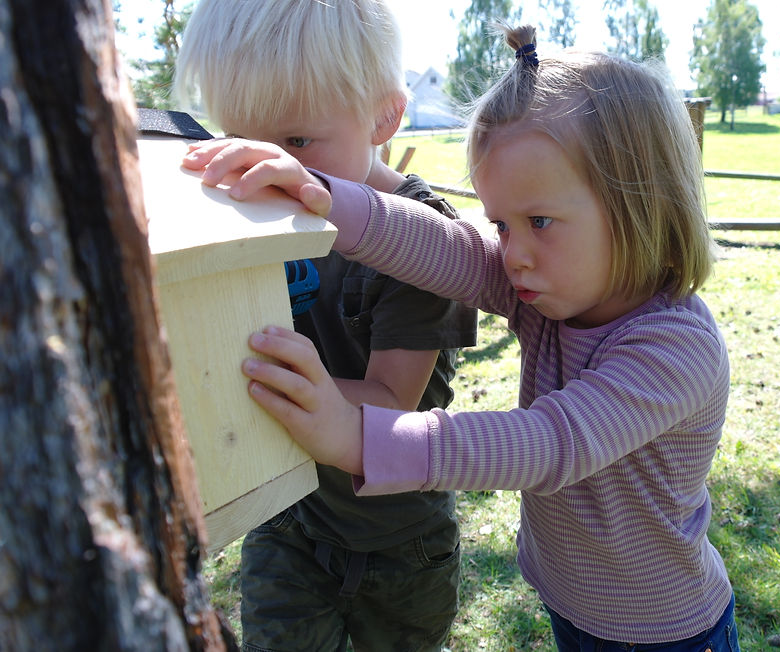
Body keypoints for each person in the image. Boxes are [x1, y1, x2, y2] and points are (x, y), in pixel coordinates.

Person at [183, 23, 740, 652]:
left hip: (666, 629)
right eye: (503, 223)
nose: (515, 253)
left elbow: (549, 446)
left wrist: (356, 435)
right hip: (573, 604)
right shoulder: (549, 290)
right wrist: (322, 195)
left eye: (541, 221)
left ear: (640, 203)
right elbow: (445, 246)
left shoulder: (675, 347)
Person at [174, 2, 478, 650]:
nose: (267, 174)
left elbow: (394, 401)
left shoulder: (425, 239)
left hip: (401, 545)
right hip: (292, 524)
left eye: (296, 143)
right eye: (242, 144)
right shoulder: (252, 216)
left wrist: (277, 386)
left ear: (383, 116)